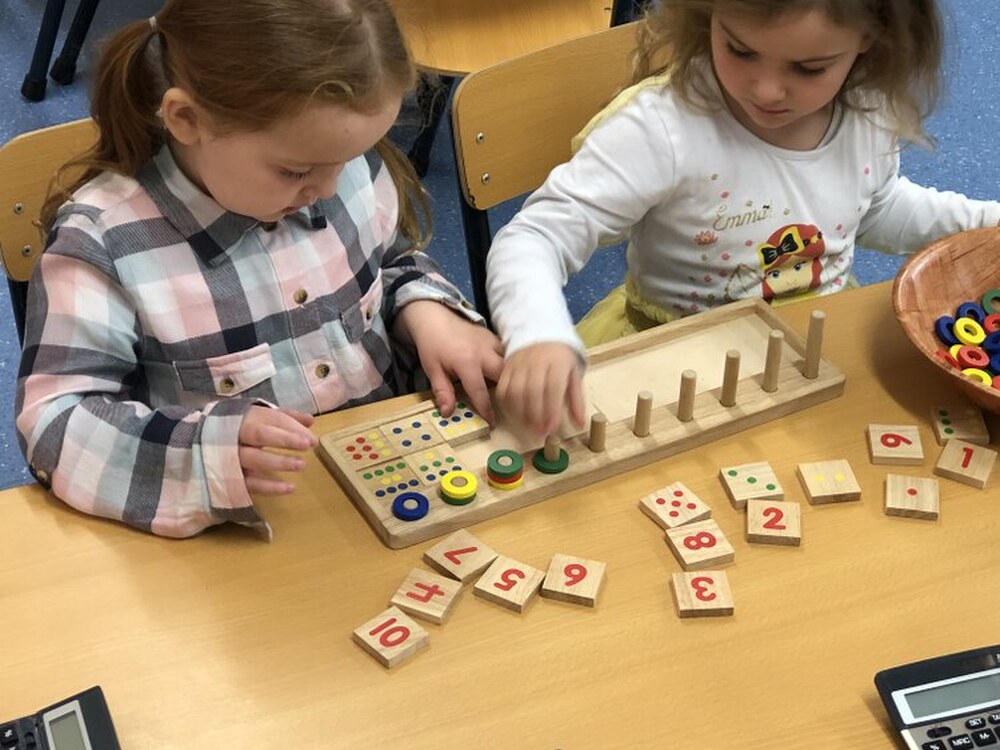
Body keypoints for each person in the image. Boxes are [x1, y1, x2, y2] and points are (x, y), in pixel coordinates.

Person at [15, 0, 503, 539]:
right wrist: (204, 454)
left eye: (351, 158)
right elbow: (53, 424)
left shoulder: (338, 165)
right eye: (295, 171)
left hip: (389, 490)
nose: (329, 189)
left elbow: (390, 260)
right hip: (239, 537)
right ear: (186, 120)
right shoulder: (102, 243)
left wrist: (429, 310)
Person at [486, 0, 1000, 436]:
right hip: (672, 364)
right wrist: (538, 332)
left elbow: (874, 208)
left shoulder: (867, 109)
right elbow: (535, 236)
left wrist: (986, 221)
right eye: (740, 50)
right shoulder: (662, 129)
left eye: (809, 68)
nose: (766, 90)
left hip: (814, 353)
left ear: (870, 37)